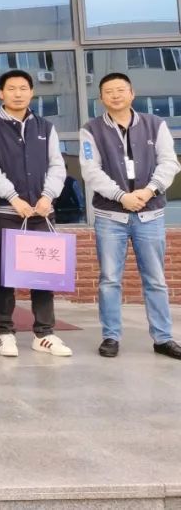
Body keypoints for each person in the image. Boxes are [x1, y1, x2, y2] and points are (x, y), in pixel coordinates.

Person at [79, 72, 181, 360]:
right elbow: (91, 171)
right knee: (110, 279)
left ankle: (163, 338)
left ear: (132, 93)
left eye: (120, 90)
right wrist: (121, 196)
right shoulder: (91, 129)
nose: (115, 95)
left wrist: (148, 191)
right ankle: (111, 336)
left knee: (156, 279)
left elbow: (169, 163)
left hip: (150, 215)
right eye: (109, 91)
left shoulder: (155, 124)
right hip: (111, 217)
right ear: (101, 98)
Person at [0, 69, 71, 358]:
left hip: (42, 211)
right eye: (11, 88)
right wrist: (14, 198)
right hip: (8, 211)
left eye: (23, 88)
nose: (18, 93)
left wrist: (47, 196)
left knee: (44, 274)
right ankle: (5, 332)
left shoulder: (46, 127)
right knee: (7, 274)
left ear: (32, 92)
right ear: (0, 93)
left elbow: (57, 165)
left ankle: (44, 333)